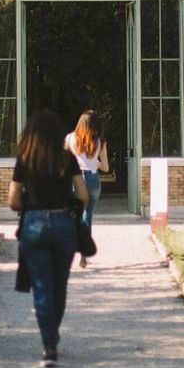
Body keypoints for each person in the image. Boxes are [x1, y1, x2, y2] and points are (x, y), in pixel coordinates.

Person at [9, 109, 88, 368]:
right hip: (63, 223)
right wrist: (70, 204)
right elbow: (84, 195)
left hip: (34, 224)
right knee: (59, 284)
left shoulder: (25, 159)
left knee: (42, 286)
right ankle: (52, 335)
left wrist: (30, 205)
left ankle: (49, 346)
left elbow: (13, 200)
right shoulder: (67, 159)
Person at [65, 110, 109, 268]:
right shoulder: (100, 142)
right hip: (93, 180)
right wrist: (94, 162)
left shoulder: (70, 138)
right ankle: (83, 256)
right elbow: (105, 167)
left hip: (76, 180)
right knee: (87, 217)